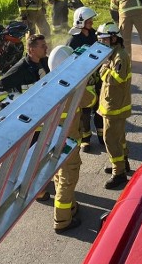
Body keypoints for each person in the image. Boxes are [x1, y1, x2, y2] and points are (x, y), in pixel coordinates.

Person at [47, 44, 96, 234]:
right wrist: (85, 81)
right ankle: (62, 219)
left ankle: (70, 207)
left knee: (59, 175)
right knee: (68, 178)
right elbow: (90, 100)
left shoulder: (48, 83)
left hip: (53, 141)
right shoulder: (72, 87)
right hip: (68, 141)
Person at [96, 23, 132, 189]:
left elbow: (117, 79)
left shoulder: (120, 57)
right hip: (112, 103)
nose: (102, 43)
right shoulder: (114, 54)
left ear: (114, 38)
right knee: (119, 137)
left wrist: (104, 69)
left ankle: (119, 174)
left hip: (115, 106)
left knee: (110, 139)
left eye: (104, 40)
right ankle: (122, 163)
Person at [67, 6, 101, 151]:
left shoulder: (95, 35)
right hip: (84, 80)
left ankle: (102, 136)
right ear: (81, 22)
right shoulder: (73, 40)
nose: (92, 22)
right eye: (89, 20)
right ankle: (86, 139)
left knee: (100, 109)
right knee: (85, 111)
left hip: (98, 76)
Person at [0, 34, 50, 110]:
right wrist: (12, 108)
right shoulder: (21, 68)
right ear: (32, 50)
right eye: (43, 46)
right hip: (28, 111)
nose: (46, 48)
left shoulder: (46, 62)